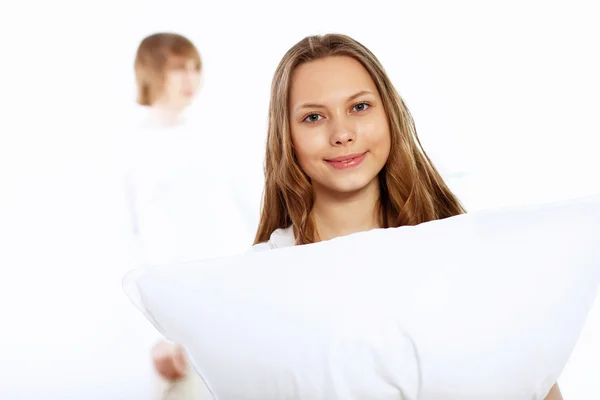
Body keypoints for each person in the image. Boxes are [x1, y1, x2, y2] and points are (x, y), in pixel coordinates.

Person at [151, 33, 563, 400]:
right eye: (314, 116)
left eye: (360, 107)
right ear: (287, 137)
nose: (341, 133)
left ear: (389, 115)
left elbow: (535, 384)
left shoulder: (467, 254)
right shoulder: (259, 282)